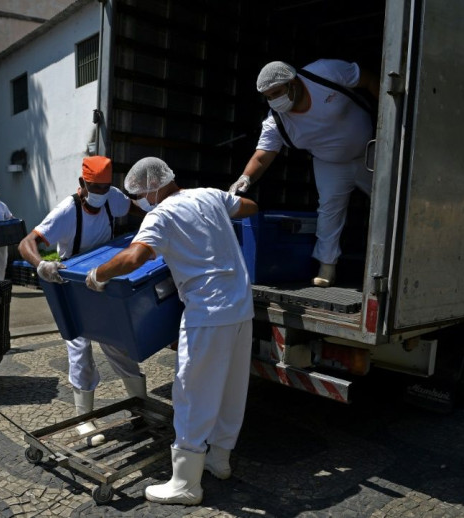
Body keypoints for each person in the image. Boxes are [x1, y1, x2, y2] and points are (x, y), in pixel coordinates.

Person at [85, 157, 259, 505]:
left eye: (137, 195)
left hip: (207, 312)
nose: (137, 202)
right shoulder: (209, 195)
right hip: (241, 307)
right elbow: (250, 207)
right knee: (230, 389)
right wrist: (222, 209)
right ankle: (219, 460)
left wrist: (99, 274)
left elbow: (135, 257)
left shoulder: (160, 215)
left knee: (192, 392)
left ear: (152, 188)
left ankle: (185, 483)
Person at [18, 155, 147, 446]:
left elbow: (137, 208)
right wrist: (41, 265)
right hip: (73, 286)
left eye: (105, 187)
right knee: (80, 349)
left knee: (118, 344)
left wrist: (157, 218)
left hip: (103, 279)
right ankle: (84, 420)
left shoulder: (113, 198)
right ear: (82, 184)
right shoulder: (66, 211)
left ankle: (141, 405)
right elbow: (26, 243)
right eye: (95, 187)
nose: (101, 193)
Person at [229, 59, 379, 287]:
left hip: (373, 150)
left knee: (390, 206)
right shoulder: (276, 122)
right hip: (330, 163)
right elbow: (262, 155)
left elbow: (367, 79)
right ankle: (327, 267)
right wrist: (245, 178)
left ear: (294, 82)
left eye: (277, 92)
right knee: (329, 211)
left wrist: (395, 116)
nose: (274, 100)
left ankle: (394, 260)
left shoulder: (325, 73)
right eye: (268, 97)